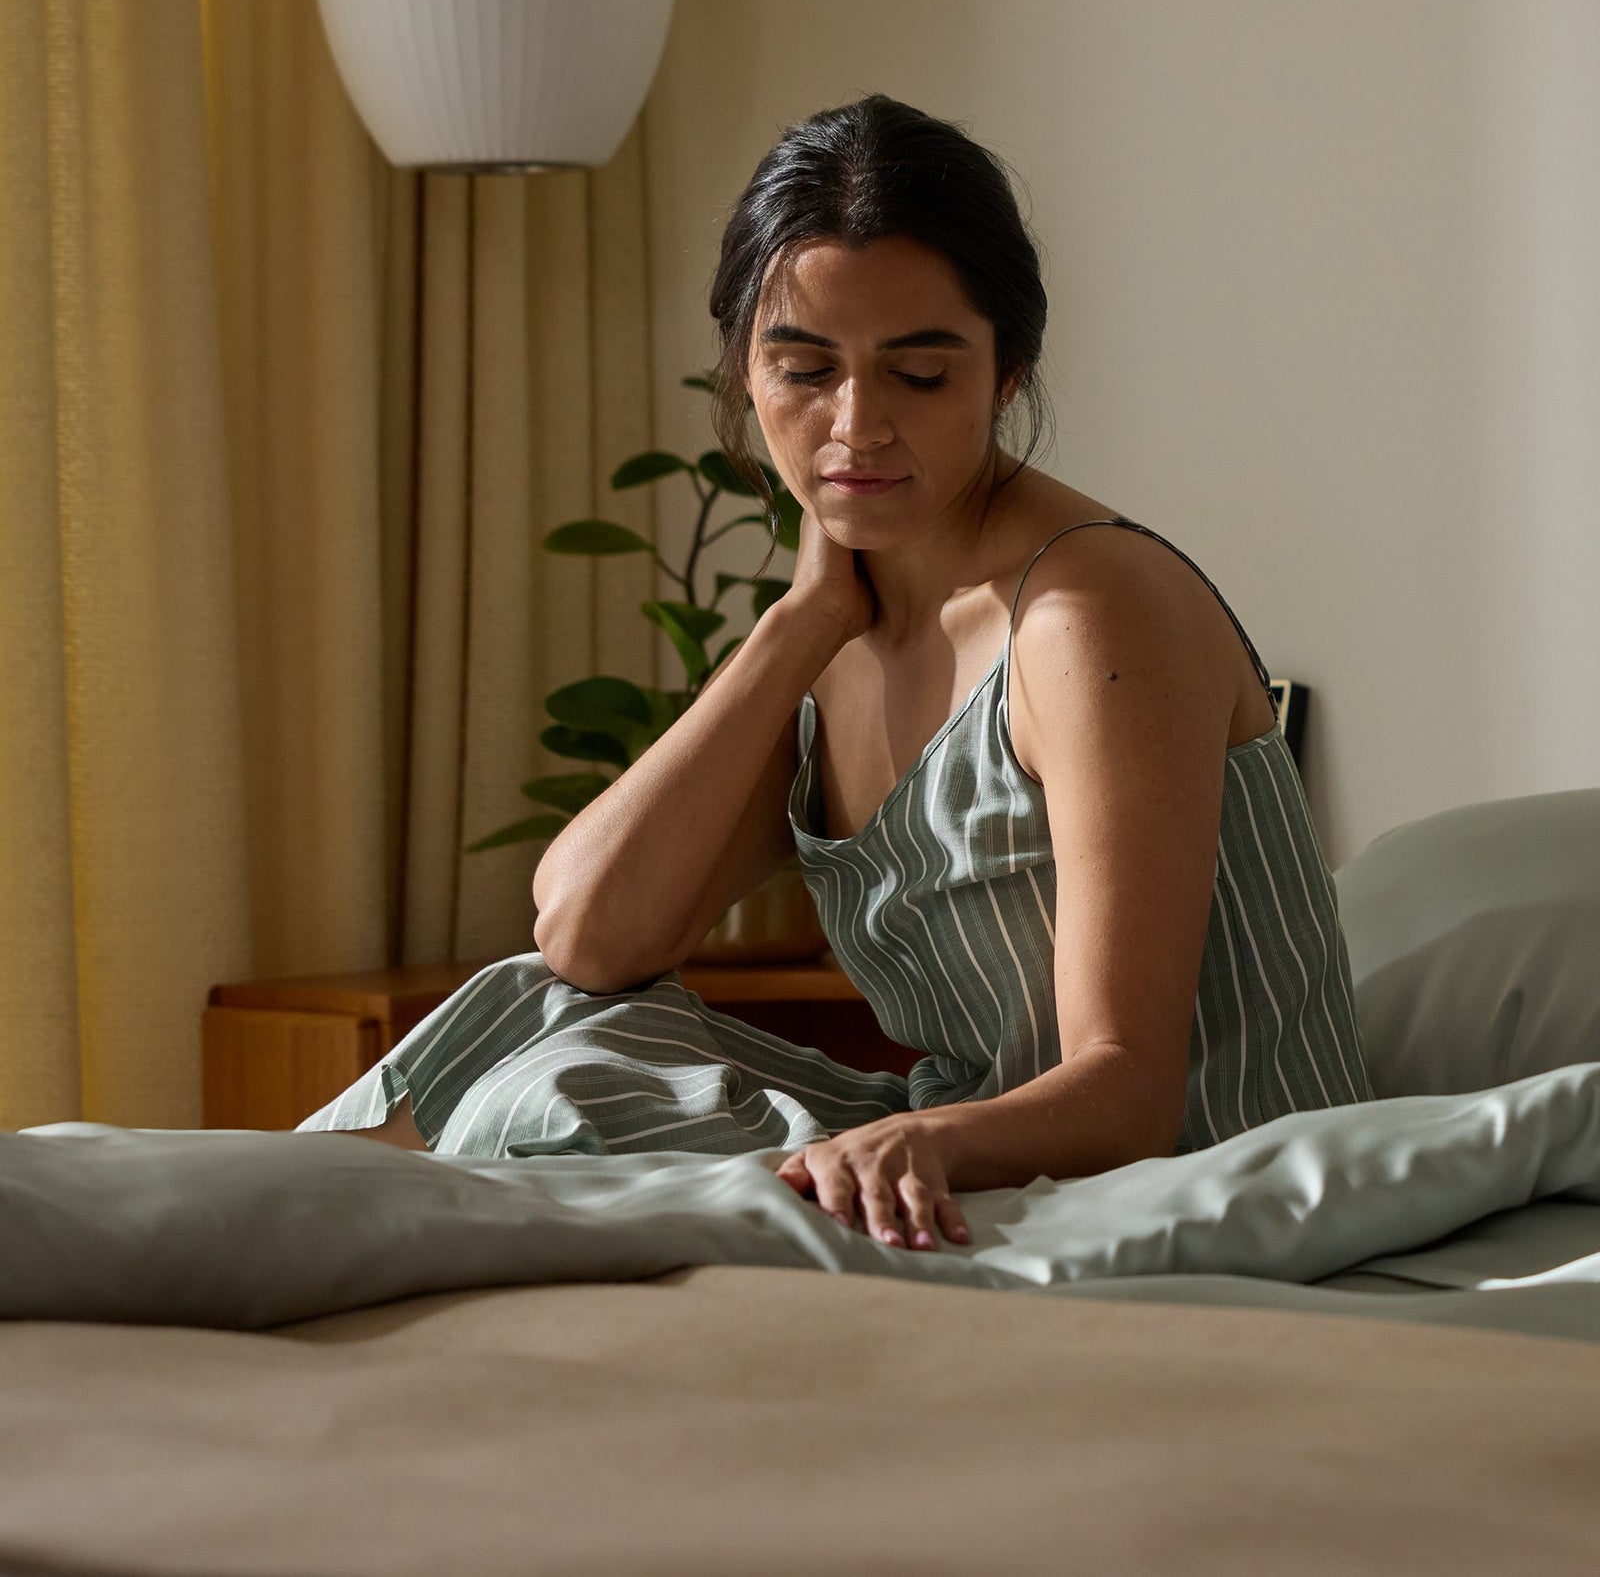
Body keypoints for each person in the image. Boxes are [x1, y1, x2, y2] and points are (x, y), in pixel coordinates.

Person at [299, 94, 1372, 1251]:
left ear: (1006, 373)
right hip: (977, 1154)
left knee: (571, 1102)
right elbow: (587, 937)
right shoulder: (844, 627)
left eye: (917, 374)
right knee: (534, 1012)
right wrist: (799, 622)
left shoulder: (1086, 615)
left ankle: (262, 1245)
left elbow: (1127, 1095)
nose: (854, 426)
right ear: (742, 374)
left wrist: (911, 1145)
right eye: (804, 368)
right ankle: (246, 1226)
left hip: (1190, 1177)